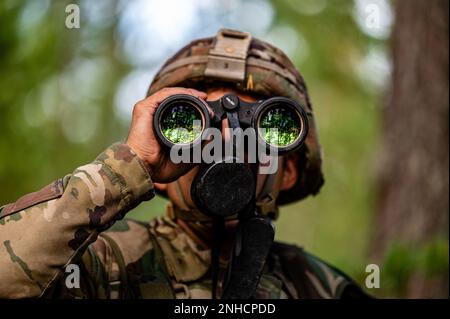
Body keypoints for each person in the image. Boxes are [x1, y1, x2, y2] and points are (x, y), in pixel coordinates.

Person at [0, 29, 369, 299]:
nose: (227, 141)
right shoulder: (106, 265)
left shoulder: (316, 286)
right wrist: (126, 170)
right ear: (159, 169)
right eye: (192, 124)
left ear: (286, 173)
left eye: (260, 128)